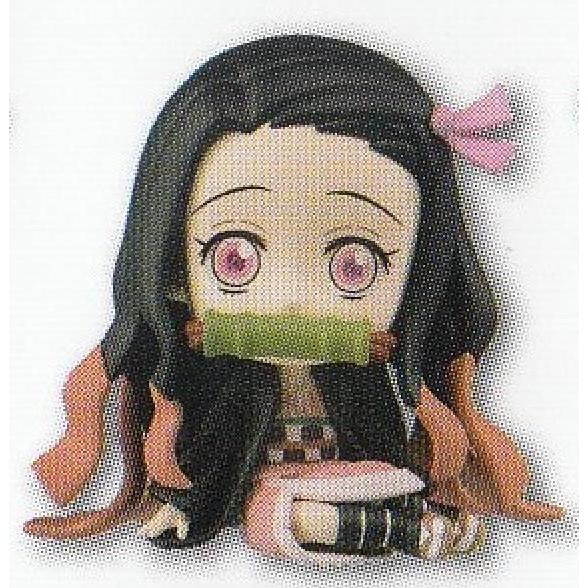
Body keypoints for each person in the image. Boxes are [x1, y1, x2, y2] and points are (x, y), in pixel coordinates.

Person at [24, 34, 563, 562]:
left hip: (358, 474)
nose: (291, 303)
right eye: (235, 258)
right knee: (278, 513)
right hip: (244, 488)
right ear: (174, 265)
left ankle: (401, 526)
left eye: (355, 265)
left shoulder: (374, 389)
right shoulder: (202, 391)